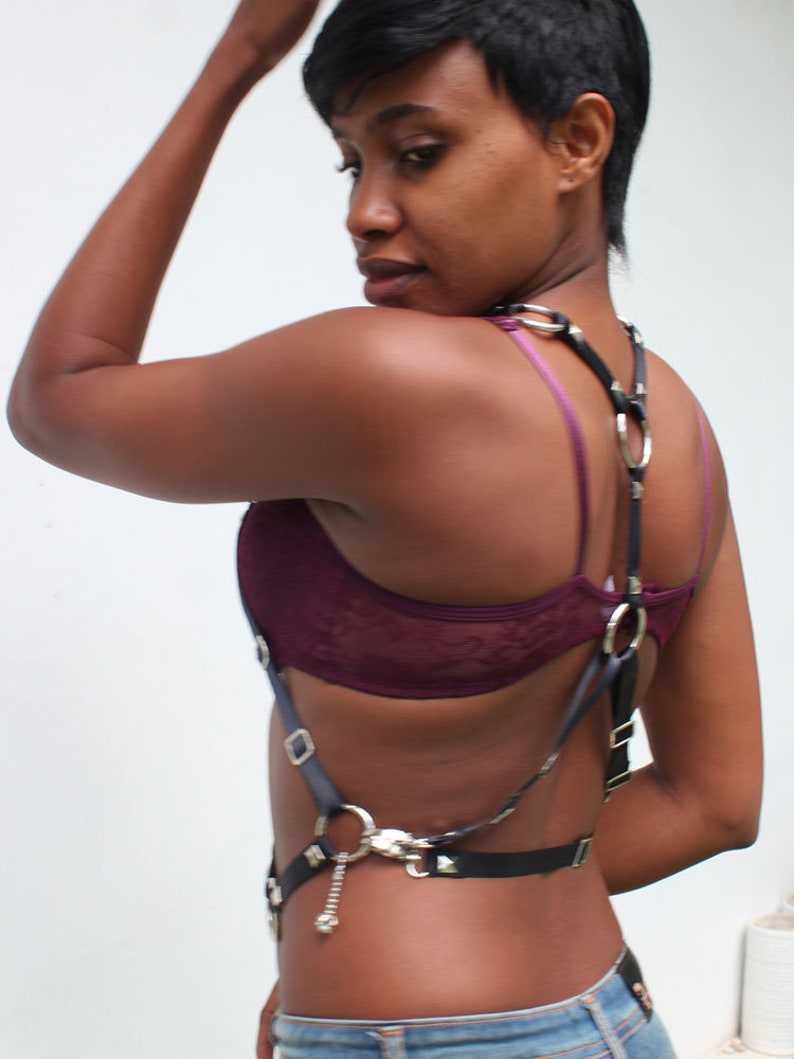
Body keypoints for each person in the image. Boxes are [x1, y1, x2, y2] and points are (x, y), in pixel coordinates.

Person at [8, 0, 762, 1056]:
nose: (363, 211)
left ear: (578, 141)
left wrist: (237, 60)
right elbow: (713, 798)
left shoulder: (392, 375)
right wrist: (445, 905)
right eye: (350, 163)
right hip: (611, 1020)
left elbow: (58, 395)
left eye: (417, 153)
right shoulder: (673, 423)